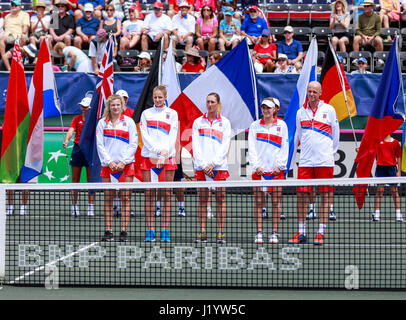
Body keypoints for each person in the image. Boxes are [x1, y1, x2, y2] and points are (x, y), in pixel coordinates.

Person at [289, 81, 339, 245]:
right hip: (305, 161)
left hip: (324, 161)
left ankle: (320, 232)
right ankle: (301, 232)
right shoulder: (300, 112)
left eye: (314, 92)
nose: (311, 94)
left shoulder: (329, 110)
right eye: (309, 91)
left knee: (325, 195)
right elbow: (299, 135)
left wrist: (329, 154)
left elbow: (336, 135)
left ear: (320, 93)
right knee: (302, 195)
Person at [139, 85, 179, 243]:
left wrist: (165, 153)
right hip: (149, 156)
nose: (157, 100)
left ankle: (165, 230)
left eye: (160, 97)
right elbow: (145, 136)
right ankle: (150, 229)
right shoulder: (146, 114)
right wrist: (157, 152)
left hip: (167, 157)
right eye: (155, 97)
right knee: (149, 193)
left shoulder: (172, 114)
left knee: (167, 194)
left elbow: (172, 135)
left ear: (165, 97)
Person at [96, 94, 138, 242]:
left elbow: (134, 144)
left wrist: (123, 161)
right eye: (113, 105)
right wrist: (109, 162)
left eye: (118, 105)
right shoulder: (102, 123)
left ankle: (124, 231)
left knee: (126, 198)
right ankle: (108, 230)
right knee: (108, 198)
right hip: (108, 167)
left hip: (125, 167)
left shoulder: (129, 122)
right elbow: (100, 145)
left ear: (122, 106)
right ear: (109, 106)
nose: (115, 107)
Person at [192, 92, 232, 244]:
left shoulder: (225, 123)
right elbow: (195, 145)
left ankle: (221, 233)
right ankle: (202, 233)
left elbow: (225, 145)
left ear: (218, 103)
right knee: (202, 200)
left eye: (212, 102)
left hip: (219, 167)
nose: (210, 105)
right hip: (202, 167)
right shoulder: (198, 122)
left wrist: (213, 163)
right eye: (208, 102)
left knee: (221, 199)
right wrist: (204, 165)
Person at [248, 97, 288, 244]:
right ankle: (259, 232)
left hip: (276, 171)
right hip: (260, 171)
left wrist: (280, 166)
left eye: (268, 108)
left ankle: (274, 233)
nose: (265, 110)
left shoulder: (282, 126)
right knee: (258, 202)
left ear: (274, 110)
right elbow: (251, 147)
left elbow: (285, 147)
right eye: (264, 108)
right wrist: (256, 166)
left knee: (276, 202)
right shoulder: (254, 126)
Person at [62, 96, 96, 217]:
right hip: (77, 150)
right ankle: (74, 206)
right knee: (75, 180)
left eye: (85, 107)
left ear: (90, 108)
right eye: (82, 106)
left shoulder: (94, 119)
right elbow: (71, 130)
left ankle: (91, 206)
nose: (83, 108)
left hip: (90, 150)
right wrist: (66, 140)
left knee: (90, 181)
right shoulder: (76, 119)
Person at [372, 134, 403, 222]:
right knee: (379, 191)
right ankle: (377, 213)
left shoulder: (396, 143)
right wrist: (359, 150)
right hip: (380, 168)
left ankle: (398, 213)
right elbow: (369, 151)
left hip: (392, 168)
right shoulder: (377, 141)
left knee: (394, 191)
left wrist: (399, 171)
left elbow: (399, 157)